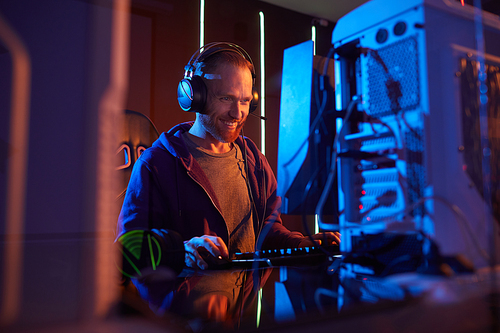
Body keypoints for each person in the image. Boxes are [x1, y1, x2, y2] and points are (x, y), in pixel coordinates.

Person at [116, 42, 340, 326]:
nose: (238, 113)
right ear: (194, 96)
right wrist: (181, 251)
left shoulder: (254, 160)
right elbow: (126, 250)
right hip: (178, 322)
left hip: (241, 317)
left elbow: (268, 233)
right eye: (226, 98)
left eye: (246, 101)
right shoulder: (156, 163)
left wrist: (305, 246)